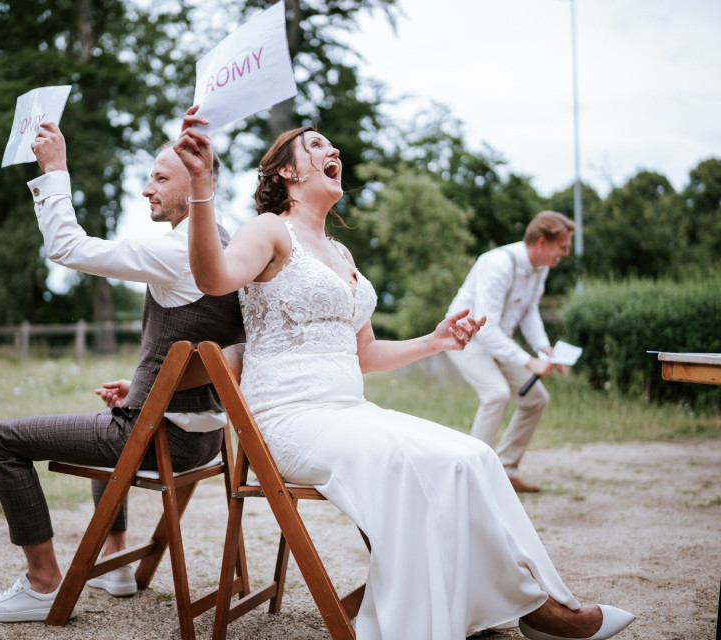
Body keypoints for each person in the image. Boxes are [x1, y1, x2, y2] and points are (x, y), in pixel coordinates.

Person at [172, 105, 634, 640]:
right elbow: (213, 278)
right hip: (289, 419)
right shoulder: (269, 230)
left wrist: (436, 341)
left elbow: (365, 354)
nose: (333, 150)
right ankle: (516, 612)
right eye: (316, 145)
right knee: (408, 462)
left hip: (349, 412)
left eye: (332, 145)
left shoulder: (341, 252)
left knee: (473, 456)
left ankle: (529, 604)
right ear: (288, 171)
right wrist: (202, 185)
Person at [0, 122, 244, 622]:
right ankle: (116, 565)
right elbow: (213, 348)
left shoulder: (179, 250)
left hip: (161, 437)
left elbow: (66, 248)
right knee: (115, 419)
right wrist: (144, 387)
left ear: (196, 182)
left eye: (160, 178)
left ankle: (42, 584)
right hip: (205, 438)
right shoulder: (232, 244)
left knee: (1, 440)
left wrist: (54, 169)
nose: (146, 189)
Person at [445, 210, 575, 493]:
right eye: (563, 247)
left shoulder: (541, 268)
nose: (566, 253)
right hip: (464, 339)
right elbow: (486, 328)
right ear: (542, 242)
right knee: (496, 394)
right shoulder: (498, 264)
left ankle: (505, 472)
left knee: (536, 399)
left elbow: (529, 311)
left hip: (497, 341)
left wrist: (544, 349)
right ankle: (470, 481)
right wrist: (529, 361)